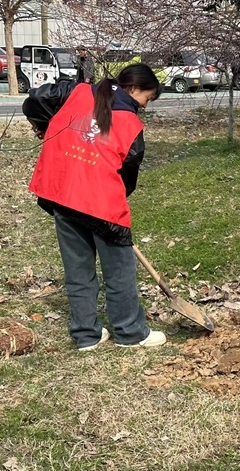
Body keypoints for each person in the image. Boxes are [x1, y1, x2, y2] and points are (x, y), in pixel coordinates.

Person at [24, 63, 166, 351]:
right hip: (99, 202)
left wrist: (48, 125)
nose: (145, 106)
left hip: (61, 192)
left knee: (77, 269)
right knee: (120, 270)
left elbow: (36, 99)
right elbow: (127, 178)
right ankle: (130, 332)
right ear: (134, 88)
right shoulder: (130, 124)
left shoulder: (74, 92)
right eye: (147, 99)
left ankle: (86, 335)